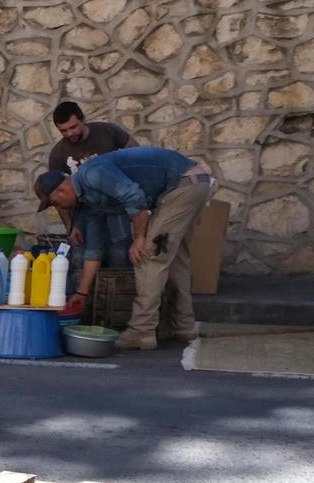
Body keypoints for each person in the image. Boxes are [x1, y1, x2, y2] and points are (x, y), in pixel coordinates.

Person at [35, 147, 214, 352]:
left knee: (148, 256)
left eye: (54, 203)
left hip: (183, 185)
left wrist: (139, 238)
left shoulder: (92, 174)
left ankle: (141, 332)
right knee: (173, 259)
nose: (59, 207)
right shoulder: (88, 201)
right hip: (187, 185)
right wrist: (81, 294)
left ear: (61, 190)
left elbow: (134, 196)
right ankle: (182, 327)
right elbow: (94, 249)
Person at [46, 101, 135, 265]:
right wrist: (70, 227)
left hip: (116, 206)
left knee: (120, 252)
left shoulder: (107, 131)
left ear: (83, 120)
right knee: (83, 253)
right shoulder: (58, 154)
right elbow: (57, 198)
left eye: (73, 127)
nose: (69, 133)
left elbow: (136, 152)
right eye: (63, 131)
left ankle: (118, 289)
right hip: (83, 211)